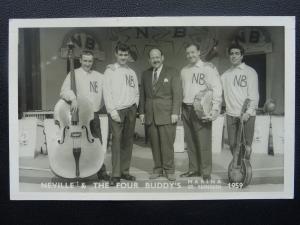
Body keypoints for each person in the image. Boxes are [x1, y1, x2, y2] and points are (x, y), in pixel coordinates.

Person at [60, 50, 110, 181]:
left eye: (90, 61)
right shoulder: (73, 74)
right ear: (80, 60)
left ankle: (101, 170)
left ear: (93, 61)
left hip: (94, 114)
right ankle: (77, 168)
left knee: (97, 142)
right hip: (79, 114)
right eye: (85, 61)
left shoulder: (99, 76)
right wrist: (73, 98)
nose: (88, 63)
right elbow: (63, 91)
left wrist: (112, 69)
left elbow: (109, 89)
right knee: (78, 143)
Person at [180, 43, 222, 181]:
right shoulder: (184, 70)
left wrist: (215, 108)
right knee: (190, 141)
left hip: (201, 108)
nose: (190, 55)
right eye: (187, 53)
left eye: (193, 52)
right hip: (186, 108)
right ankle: (193, 169)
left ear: (199, 52)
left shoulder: (208, 68)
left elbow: (216, 88)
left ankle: (205, 171)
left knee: (203, 141)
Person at [139, 48, 182, 181]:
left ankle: (169, 170)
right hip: (150, 115)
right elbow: (143, 96)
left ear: (162, 57)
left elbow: (177, 94)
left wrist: (175, 112)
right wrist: (141, 112)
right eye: (152, 58)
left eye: (157, 57)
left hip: (167, 115)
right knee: (154, 144)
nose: (155, 60)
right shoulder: (145, 74)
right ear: (149, 60)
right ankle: (157, 169)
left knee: (167, 144)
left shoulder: (173, 72)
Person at [103, 42, 139, 186]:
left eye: (125, 55)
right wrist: (112, 111)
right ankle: (116, 174)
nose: (123, 57)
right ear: (116, 54)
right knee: (116, 142)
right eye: (121, 54)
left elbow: (136, 91)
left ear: (128, 55)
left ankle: (125, 171)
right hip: (117, 110)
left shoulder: (131, 72)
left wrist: (135, 104)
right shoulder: (110, 71)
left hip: (130, 109)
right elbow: (107, 93)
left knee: (128, 141)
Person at [221, 43, 259, 168]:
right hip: (231, 114)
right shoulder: (225, 75)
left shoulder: (250, 72)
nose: (234, 56)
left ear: (242, 56)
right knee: (232, 144)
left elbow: (253, 94)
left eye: (237, 53)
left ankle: (243, 170)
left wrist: (249, 112)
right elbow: (216, 89)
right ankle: (237, 169)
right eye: (231, 53)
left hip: (246, 115)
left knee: (246, 146)